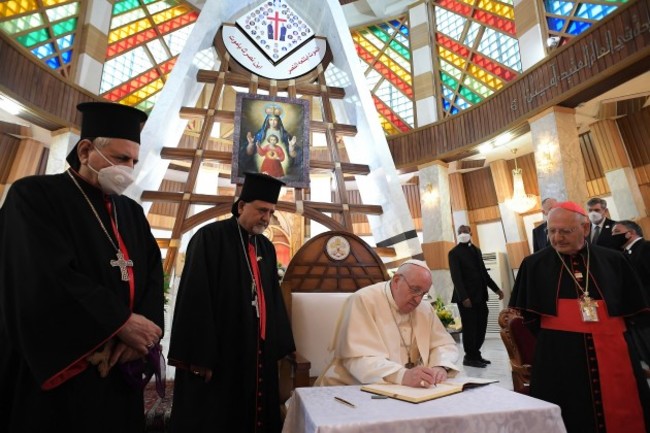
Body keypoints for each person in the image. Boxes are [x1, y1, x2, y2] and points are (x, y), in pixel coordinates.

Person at [0, 102, 165, 432]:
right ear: (87, 150)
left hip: (121, 368)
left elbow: (152, 275)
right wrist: (120, 323)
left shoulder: (131, 212)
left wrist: (144, 335)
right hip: (63, 371)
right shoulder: (33, 196)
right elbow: (41, 275)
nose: (129, 169)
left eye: (134, 161)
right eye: (121, 158)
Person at [167, 172, 295, 433]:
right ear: (240, 206)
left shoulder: (266, 248)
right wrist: (200, 356)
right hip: (221, 355)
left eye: (271, 212)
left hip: (255, 352)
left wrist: (277, 348)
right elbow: (195, 299)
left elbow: (272, 298)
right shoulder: (209, 238)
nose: (266, 218)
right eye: (261, 210)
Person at [509, 202, 650, 433]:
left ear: (585, 229)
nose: (557, 237)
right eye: (551, 231)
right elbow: (529, 318)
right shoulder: (533, 265)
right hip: (558, 354)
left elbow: (633, 309)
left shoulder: (614, 260)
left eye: (565, 231)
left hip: (615, 351)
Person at [315, 260, 460, 388]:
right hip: (352, 387)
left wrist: (440, 366)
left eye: (423, 294)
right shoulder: (364, 300)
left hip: (408, 391)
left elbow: (444, 345)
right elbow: (357, 359)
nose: (418, 300)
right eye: (415, 290)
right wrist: (402, 375)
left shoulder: (424, 309)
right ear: (396, 281)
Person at [448, 225, 503, 368]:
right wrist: (464, 297)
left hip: (480, 295)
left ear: (470, 233)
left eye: (465, 231)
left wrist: (496, 289)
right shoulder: (454, 253)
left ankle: (476, 353)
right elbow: (456, 277)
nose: (463, 234)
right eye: (460, 232)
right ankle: (469, 357)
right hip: (466, 298)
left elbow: (484, 274)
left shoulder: (476, 250)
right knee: (470, 327)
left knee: (481, 325)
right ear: (457, 235)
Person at [611, 220, 650, 369]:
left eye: (616, 232)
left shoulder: (646, 247)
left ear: (630, 233)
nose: (612, 236)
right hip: (636, 314)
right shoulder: (625, 254)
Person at [245, 106, 298, 179]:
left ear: (279, 121)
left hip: (278, 165)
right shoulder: (260, 134)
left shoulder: (284, 135)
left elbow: (293, 155)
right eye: (270, 119)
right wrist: (251, 144)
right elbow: (250, 153)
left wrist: (291, 147)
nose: (273, 122)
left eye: (275, 120)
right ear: (267, 121)